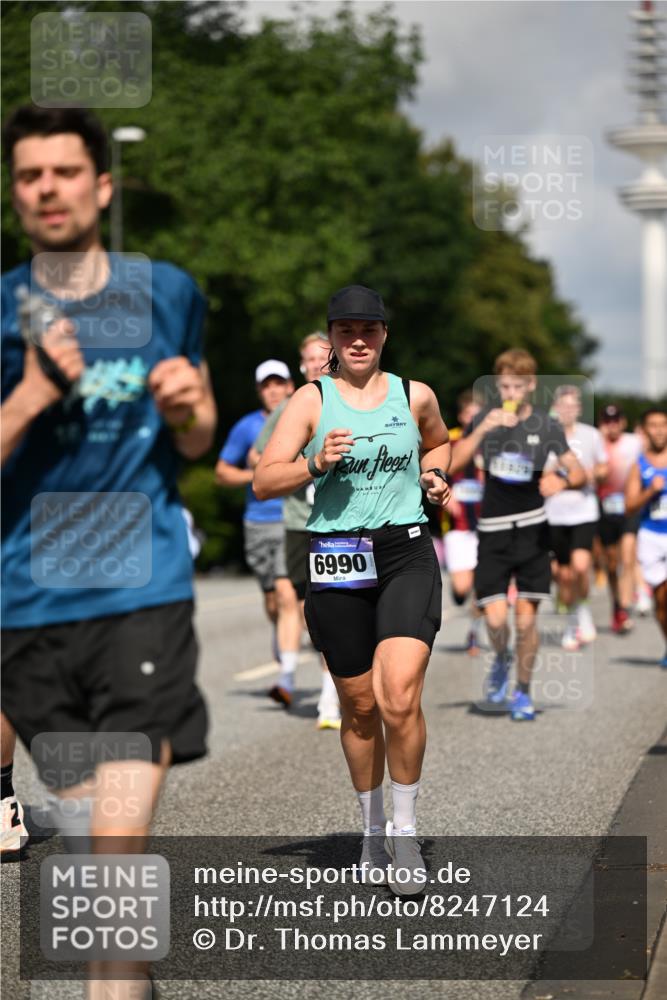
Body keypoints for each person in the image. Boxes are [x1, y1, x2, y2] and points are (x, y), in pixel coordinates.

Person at [1, 104, 216, 992]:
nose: (47, 188)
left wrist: (188, 407)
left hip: (140, 594)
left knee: (116, 848)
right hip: (31, 608)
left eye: (63, 171)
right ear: (17, 193)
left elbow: (199, 439)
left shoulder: (167, 292)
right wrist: (28, 396)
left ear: (102, 184)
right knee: (96, 855)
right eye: (28, 175)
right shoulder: (3, 309)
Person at [254, 285, 451, 895]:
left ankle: (405, 831)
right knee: (359, 706)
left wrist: (434, 473)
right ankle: (370, 829)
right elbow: (264, 481)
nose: (358, 339)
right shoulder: (309, 402)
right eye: (345, 330)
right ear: (332, 338)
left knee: (398, 696)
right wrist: (315, 464)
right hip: (337, 557)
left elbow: (441, 440)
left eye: (369, 328)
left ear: (384, 334)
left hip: (405, 551)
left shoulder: (413, 394)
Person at [449, 349, 585, 721]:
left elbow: (579, 472)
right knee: (494, 620)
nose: (510, 390)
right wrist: (481, 430)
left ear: (531, 386)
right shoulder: (484, 419)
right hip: (492, 533)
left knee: (526, 620)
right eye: (504, 384)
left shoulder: (546, 426)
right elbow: (452, 464)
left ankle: (523, 692)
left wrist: (562, 478)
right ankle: (502, 659)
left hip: (531, 531)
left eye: (517, 385)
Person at [253, 332, 342, 726]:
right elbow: (260, 456)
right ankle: (288, 675)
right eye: (308, 359)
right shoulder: (288, 407)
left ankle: (329, 696)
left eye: (322, 357)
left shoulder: (347, 401)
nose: (315, 364)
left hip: (338, 521)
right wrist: (301, 460)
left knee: (328, 610)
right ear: (301, 365)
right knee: (295, 603)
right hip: (294, 521)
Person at [215, 360, 302, 701]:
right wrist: (258, 477)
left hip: (290, 517)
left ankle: (287, 676)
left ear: (289, 386)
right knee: (272, 599)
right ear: (259, 391)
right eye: (267, 385)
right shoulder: (247, 427)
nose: (274, 391)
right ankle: (283, 633)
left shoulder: (300, 418)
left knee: (285, 592)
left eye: (279, 383)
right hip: (256, 520)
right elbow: (222, 472)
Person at [545, 385, 608, 651]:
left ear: (579, 409)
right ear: (556, 408)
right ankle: (574, 618)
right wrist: (573, 473)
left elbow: (602, 467)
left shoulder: (591, 435)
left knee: (581, 566)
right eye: (563, 405)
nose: (568, 410)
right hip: (554, 513)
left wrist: (586, 474)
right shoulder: (547, 436)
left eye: (573, 406)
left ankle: (580, 614)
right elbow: (544, 473)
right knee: (563, 574)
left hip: (584, 510)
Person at [443, 390, 485, 654]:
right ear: (461, 415)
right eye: (469, 414)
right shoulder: (449, 438)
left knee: (482, 583)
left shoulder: (492, 442)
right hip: (457, 524)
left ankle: (474, 633)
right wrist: (447, 499)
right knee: (463, 586)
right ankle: (459, 594)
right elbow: (434, 469)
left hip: (484, 522)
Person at [625, 408, 667, 668]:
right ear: (644, 430)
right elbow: (629, 506)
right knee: (661, 601)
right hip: (651, 535)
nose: (660, 430)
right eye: (653, 425)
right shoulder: (638, 465)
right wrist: (649, 492)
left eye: (664, 424)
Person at [597, 404, 642, 633]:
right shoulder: (597, 443)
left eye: (615, 421)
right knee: (611, 563)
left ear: (623, 422)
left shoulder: (634, 442)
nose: (612, 426)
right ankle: (617, 604)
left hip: (629, 507)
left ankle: (625, 605)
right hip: (604, 509)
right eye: (607, 421)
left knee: (627, 553)